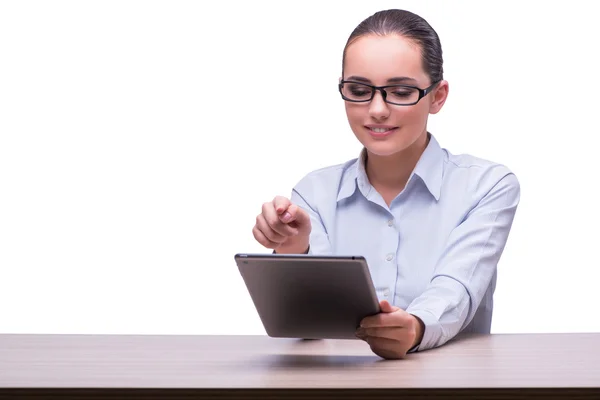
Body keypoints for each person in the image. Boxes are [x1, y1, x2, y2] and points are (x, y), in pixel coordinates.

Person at [251, 9, 520, 359]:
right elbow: (310, 321)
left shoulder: (487, 186)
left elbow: (456, 288)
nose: (377, 109)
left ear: (437, 96)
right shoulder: (314, 193)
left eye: (401, 91)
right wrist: (292, 248)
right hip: (338, 387)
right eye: (359, 90)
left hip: (451, 386)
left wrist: (416, 326)